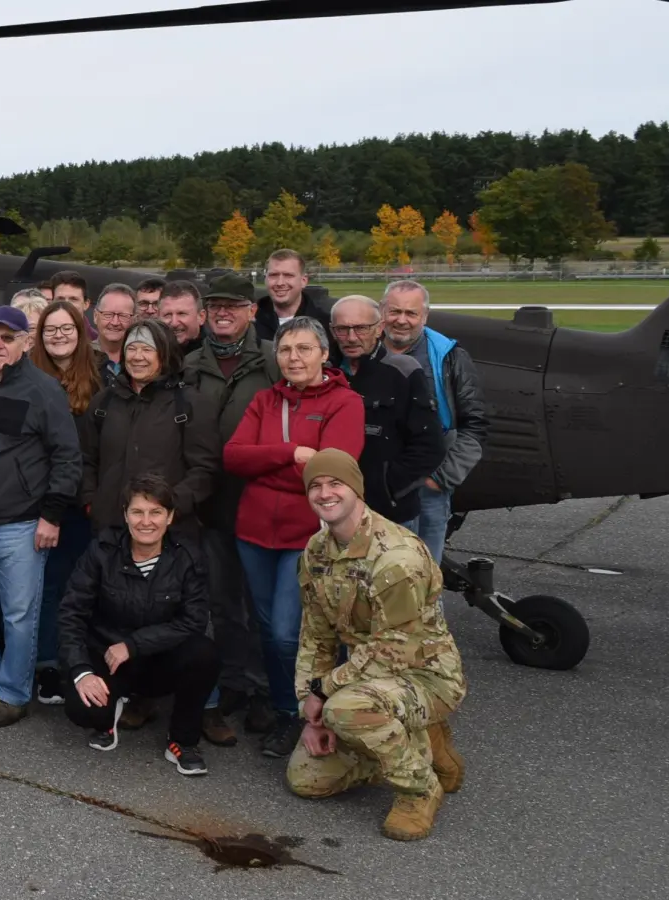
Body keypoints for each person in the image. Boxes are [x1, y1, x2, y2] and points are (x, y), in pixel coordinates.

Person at [287, 449, 466, 842]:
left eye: (336, 483)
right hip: (369, 678)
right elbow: (315, 636)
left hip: (426, 677)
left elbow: (393, 646)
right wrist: (310, 712)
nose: (325, 493)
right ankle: (415, 739)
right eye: (315, 485)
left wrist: (325, 692)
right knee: (306, 779)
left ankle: (419, 789)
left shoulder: (397, 557)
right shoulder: (317, 551)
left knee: (347, 710)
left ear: (356, 489)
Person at [224, 316, 365, 758]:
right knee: (267, 628)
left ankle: (318, 711)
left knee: (289, 632)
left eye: (305, 349)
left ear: (325, 354)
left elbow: (332, 471)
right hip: (254, 532)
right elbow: (233, 457)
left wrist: (270, 466)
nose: (294, 358)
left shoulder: (345, 402)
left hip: (307, 536)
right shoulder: (266, 401)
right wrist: (291, 454)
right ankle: (288, 710)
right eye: (286, 350)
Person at [0, 306, 82, 728]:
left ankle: (12, 692)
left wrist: (51, 515)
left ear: (27, 342)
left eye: (9, 337)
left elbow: (67, 457)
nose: (0, 344)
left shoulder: (44, 390)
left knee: (18, 614)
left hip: (21, 525)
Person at [58, 475, 219, 775]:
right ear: (125, 515)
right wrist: (81, 671)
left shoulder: (188, 557)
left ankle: (182, 740)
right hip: (109, 658)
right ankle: (112, 707)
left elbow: (194, 620)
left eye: (156, 512)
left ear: (170, 517)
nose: (146, 521)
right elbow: (71, 612)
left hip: (160, 660)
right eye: (138, 512)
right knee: (82, 708)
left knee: (204, 653)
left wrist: (133, 645)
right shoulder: (102, 551)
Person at [182, 273, 284, 744]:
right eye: (215, 306)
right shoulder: (190, 365)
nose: (223, 313)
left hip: (262, 502)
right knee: (222, 606)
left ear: (250, 311)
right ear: (205, 314)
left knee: (263, 607)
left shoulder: (271, 361)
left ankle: (266, 692)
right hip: (210, 507)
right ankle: (232, 686)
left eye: (233, 305)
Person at [27, 298, 106, 705]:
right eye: (50, 330)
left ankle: (85, 665)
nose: (59, 336)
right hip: (37, 504)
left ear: (80, 332)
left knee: (84, 589)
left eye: (67, 329)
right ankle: (47, 667)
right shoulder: (27, 377)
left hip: (82, 504)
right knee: (46, 588)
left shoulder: (99, 379)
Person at [381, 280, 488, 562]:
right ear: (381, 311)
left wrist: (441, 479)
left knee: (426, 576)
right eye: (394, 311)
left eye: (411, 313)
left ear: (425, 316)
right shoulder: (363, 351)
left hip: (429, 489)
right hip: (377, 486)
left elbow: (475, 424)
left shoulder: (449, 357)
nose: (401, 320)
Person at [83, 319, 219, 534]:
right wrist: (92, 502)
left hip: (169, 530)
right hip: (109, 527)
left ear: (164, 354)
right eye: (131, 349)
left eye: (147, 349)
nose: (137, 357)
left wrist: (170, 505)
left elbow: (204, 469)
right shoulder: (104, 402)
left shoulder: (189, 404)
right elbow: (87, 459)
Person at [331, 295, 444, 524]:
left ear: (379, 328)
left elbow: (429, 445)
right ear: (332, 330)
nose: (351, 338)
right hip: (333, 508)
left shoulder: (403, 371)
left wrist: (386, 486)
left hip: (389, 512)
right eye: (342, 329)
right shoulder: (326, 372)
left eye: (361, 328)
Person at [255, 249, 330, 343]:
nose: (280, 283)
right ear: (265, 279)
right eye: (273, 275)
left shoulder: (325, 324)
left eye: (288, 275)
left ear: (303, 281)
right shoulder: (250, 322)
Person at [92, 284, 138, 384]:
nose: (115, 322)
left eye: (123, 316)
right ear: (95, 316)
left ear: (134, 321)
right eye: (108, 315)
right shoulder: (81, 356)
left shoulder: (142, 359)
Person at [158, 280, 206, 357]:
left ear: (201, 317)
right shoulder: (149, 354)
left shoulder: (217, 356)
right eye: (168, 315)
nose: (174, 323)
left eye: (181, 314)